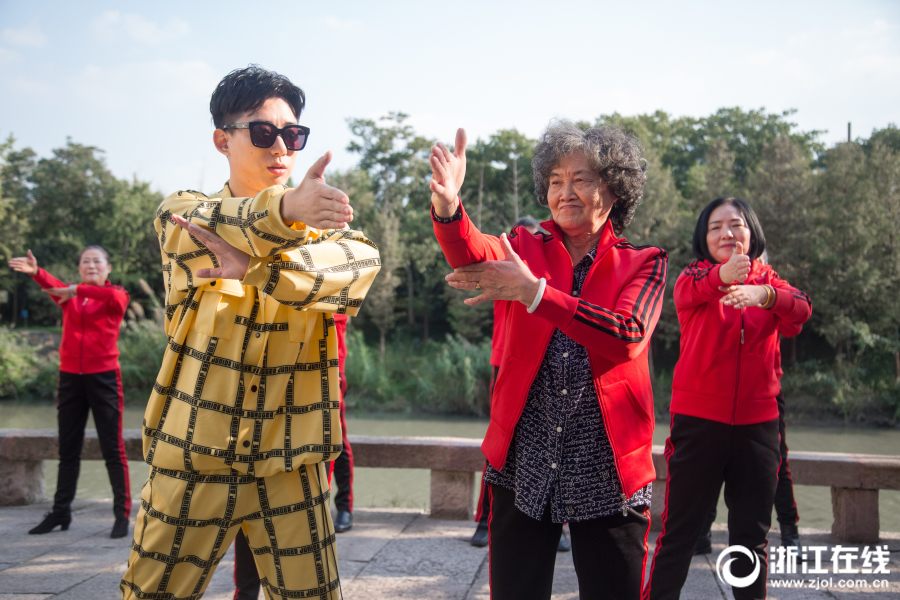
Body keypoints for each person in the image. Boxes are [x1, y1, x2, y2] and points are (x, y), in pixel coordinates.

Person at [119, 65, 381, 600]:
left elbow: (359, 265)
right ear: (223, 139)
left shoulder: (334, 238)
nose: (281, 146)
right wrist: (286, 210)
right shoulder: (184, 214)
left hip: (292, 458)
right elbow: (213, 224)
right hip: (194, 450)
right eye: (263, 132)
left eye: (293, 134)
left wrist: (257, 268)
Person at [431, 121, 666, 600]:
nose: (566, 191)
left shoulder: (644, 261)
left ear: (614, 188)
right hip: (526, 452)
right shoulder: (524, 245)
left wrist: (535, 293)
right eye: (556, 180)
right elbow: (471, 254)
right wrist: (449, 206)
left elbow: (628, 336)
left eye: (582, 178)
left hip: (607, 463)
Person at [644, 197, 811, 600]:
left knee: (750, 540)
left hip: (758, 428)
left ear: (751, 233)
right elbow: (688, 293)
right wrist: (723, 276)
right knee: (679, 534)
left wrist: (764, 296)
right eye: (716, 227)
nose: (727, 233)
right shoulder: (694, 277)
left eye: (735, 225)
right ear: (704, 237)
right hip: (698, 424)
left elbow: (801, 312)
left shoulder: (770, 280)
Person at [9, 246, 131, 538]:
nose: (91, 265)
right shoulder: (70, 299)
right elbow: (54, 287)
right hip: (70, 379)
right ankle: (61, 512)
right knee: (68, 450)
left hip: (104, 378)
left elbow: (112, 297)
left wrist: (75, 289)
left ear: (108, 268)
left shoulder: (116, 294)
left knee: (113, 449)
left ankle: (121, 515)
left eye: (97, 261)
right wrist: (38, 273)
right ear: (79, 268)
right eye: (85, 261)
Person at [471, 216, 571, 554]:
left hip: (548, 362)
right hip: (507, 360)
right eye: (522, 240)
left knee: (556, 443)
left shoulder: (554, 273)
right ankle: (486, 519)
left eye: (536, 239)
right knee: (501, 443)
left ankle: (558, 521)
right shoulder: (503, 269)